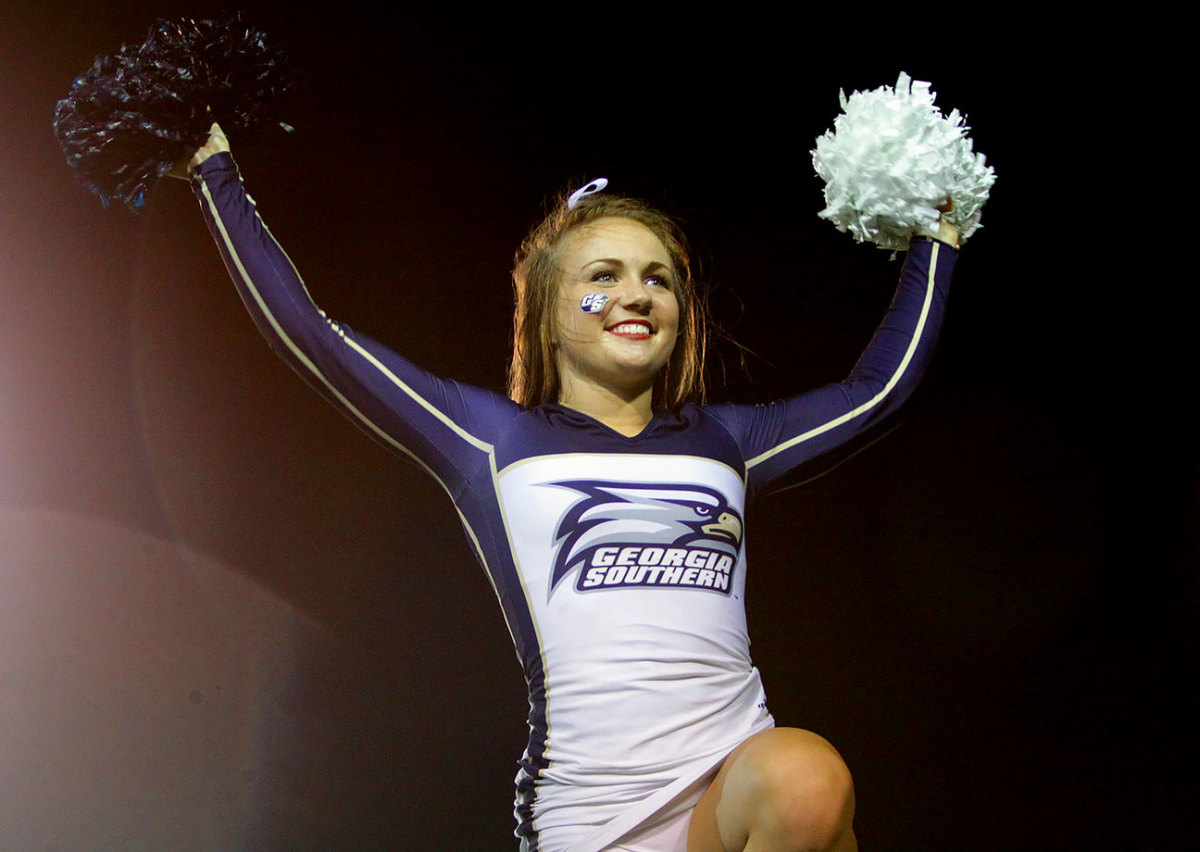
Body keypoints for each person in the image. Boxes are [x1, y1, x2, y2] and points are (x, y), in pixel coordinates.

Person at [181, 122, 958, 852]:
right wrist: (215, 173)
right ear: (550, 315)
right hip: (591, 820)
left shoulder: (727, 443)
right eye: (603, 277)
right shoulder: (491, 441)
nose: (637, 294)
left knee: (807, 780)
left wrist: (938, 234)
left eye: (658, 279)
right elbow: (315, 337)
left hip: (729, 798)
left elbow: (879, 391)